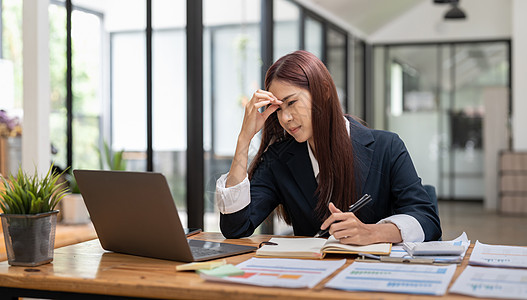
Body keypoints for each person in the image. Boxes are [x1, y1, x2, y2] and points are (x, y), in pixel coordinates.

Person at [215, 50, 441, 245]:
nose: (285, 118)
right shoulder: (279, 160)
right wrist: (244, 139)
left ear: (323, 91)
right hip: (311, 280)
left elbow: (427, 219)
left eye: (292, 103)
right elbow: (236, 228)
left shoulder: (387, 147)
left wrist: (371, 232)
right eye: (278, 109)